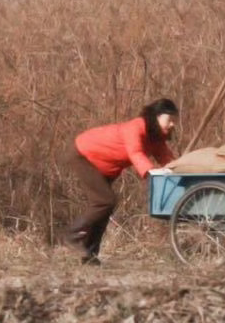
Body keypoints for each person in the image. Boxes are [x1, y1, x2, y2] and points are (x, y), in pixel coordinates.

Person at [66, 98, 178, 263]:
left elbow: (167, 159)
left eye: (174, 121)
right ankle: (71, 235)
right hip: (84, 155)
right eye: (169, 120)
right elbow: (135, 152)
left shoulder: (156, 138)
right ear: (156, 116)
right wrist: (151, 171)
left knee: (104, 208)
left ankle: (89, 255)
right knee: (105, 201)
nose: (173, 124)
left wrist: (182, 171)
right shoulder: (136, 127)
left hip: (104, 166)